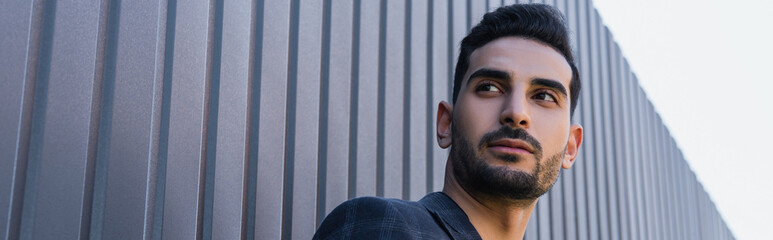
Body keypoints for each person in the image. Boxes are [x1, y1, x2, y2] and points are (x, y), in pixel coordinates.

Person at [313, 3, 583, 239]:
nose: (516, 112)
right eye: (490, 87)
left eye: (545, 96)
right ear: (446, 124)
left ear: (571, 147)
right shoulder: (383, 226)